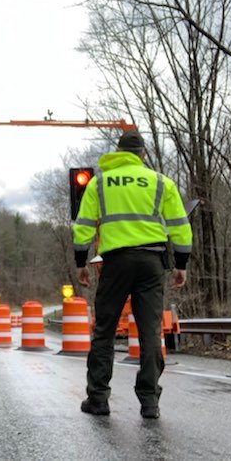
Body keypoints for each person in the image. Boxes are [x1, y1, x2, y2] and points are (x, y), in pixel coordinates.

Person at [72, 129, 192, 419]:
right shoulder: (161, 183)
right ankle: (150, 402)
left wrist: (80, 262)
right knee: (151, 331)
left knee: (105, 329)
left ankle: (98, 398)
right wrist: (181, 264)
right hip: (152, 263)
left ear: (118, 152)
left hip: (115, 264)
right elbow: (180, 225)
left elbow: (83, 226)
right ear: (143, 155)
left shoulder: (99, 183)